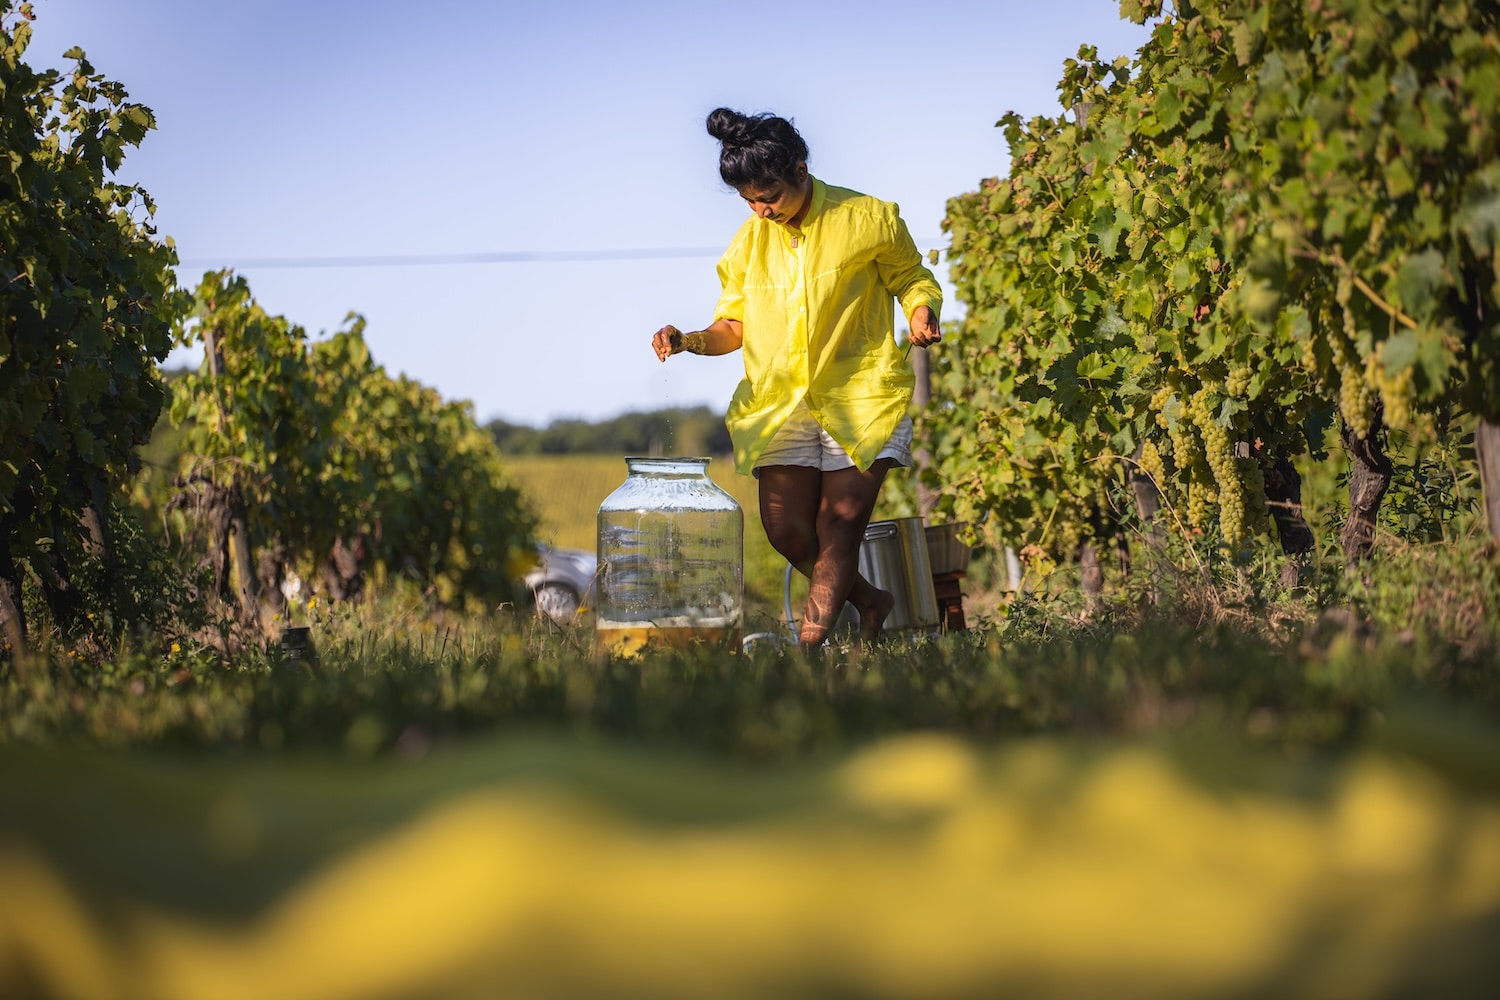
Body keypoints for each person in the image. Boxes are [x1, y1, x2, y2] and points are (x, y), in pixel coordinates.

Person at [652, 107, 942, 648]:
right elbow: (734, 326)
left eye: (770, 197)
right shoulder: (747, 244)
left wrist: (921, 309)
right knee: (786, 530)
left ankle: (808, 654)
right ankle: (871, 600)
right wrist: (690, 339)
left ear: (801, 171)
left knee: (842, 521)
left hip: (862, 395)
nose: (761, 211)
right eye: (749, 202)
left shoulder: (869, 218)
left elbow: (912, 276)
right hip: (781, 401)